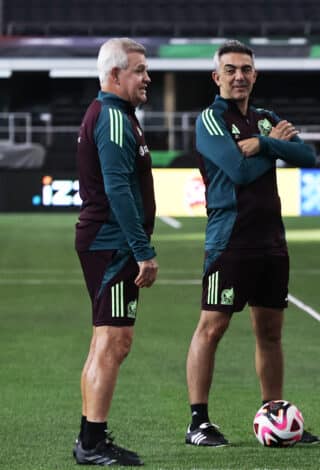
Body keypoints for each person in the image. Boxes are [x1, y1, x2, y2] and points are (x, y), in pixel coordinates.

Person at [184, 39, 318, 447]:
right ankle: (198, 423)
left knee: (271, 332)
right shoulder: (210, 120)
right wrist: (277, 147)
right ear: (216, 76)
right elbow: (239, 173)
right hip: (230, 240)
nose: (239, 76)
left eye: (245, 69)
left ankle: (274, 411)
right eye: (230, 70)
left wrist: (266, 143)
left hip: (271, 241)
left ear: (254, 75)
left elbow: (308, 156)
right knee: (212, 327)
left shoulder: (264, 120)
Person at [73, 37, 157, 466]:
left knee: (104, 341)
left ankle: (89, 435)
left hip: (104, 242)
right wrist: (142, 251)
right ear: (114, 75)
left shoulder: (116, 115)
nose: (148, 77)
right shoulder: (114, 118)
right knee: (114, 342)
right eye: (139, 70)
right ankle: (93, 443)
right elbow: (119, 190)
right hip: (114, 246)